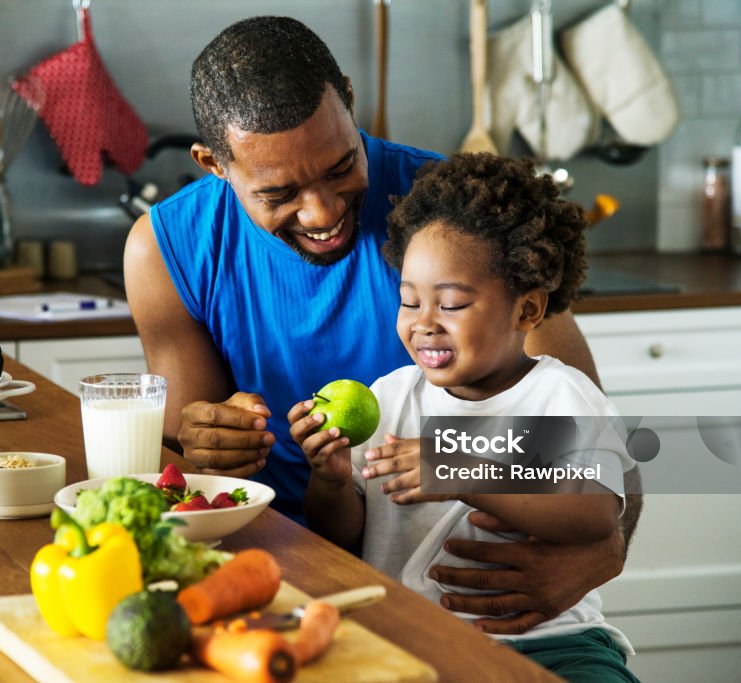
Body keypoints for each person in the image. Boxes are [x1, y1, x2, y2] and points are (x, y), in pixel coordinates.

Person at [124, 15, 642, 635]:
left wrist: (600, 556)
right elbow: (187, 472)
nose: (323, 211)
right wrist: (205, 441)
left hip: (481, 608)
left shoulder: (452, 222)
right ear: (215, 163)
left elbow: (599, 454)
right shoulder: (166, 249)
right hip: (267, 576)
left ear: (348, 96)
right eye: (279, 192)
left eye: (341, 166)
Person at [288, 152, 639, 682]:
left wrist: (456, 468)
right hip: (409, 638)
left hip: (551, 642)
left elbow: (595, 515)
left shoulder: (559, 396)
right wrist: (332, 482)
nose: (424, 325)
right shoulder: (391, 398)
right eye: (409, 302)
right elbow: (344, 539)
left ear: (526, 311)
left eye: (450, 305)